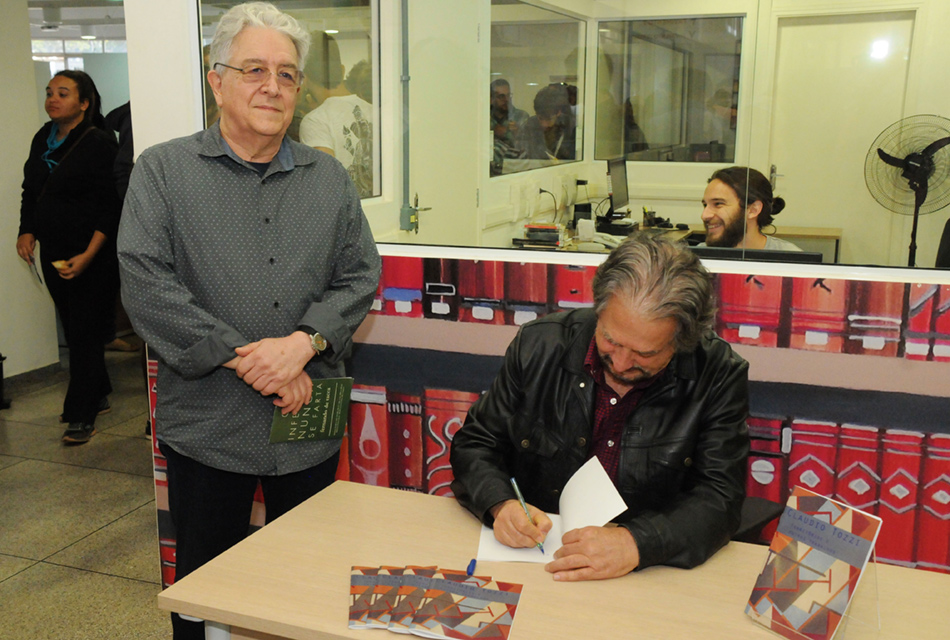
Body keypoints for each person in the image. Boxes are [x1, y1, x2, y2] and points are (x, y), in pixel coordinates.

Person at [116, 3, 380, 638]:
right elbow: (147, 284)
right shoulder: (163, 171)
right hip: (210, 425)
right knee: (209, 592)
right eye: (255, 68)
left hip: (306, 423)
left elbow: (359, 275)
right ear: (217, 79)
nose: (273, 86)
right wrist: (256, 362)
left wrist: (302, 345)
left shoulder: (329, 178)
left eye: (288, 74)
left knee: (307, 584)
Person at [450, 233, 749, 581]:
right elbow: (476, 444)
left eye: (645, 354)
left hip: (648, 577)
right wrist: (500, 503)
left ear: (683, 341)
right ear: (599, 309)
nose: (621, 364)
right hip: (539, 562)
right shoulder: (539, 345)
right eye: (610, 339)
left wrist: (636, 543)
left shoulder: (718, 374)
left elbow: (720, 499)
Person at [16, 70, 121, 445]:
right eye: (49, 92)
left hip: (93, 251)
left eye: (62, 93)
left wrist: (89, 255)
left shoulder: (100, 143)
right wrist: (26, 231)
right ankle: (99, 389)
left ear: (84, 102)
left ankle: (82, 413)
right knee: (75, 324)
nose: (52, 99)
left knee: (84, 331)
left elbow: (110, 206)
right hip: (54, 249)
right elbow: (31, 189)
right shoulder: (42, 137)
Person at [298, 32, 373, 197]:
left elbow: (325, 185)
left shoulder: (315, 121)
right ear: (342, 69)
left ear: (305, 79)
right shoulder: (374, 111)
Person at [701, 166, 802, 251]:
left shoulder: (791, 260)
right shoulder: (696, 258)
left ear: (753, 210)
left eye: (718, 204)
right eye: (705, 205)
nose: (704, 215)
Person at [515, 83, 576, 161]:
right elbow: (520, 160)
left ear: (558, 112)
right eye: (540, 118)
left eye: (548, 119)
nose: (543, 124)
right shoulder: (528, 127)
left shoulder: (571, 127)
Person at [489, 78, 529, 176]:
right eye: (501, 96)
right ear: (491, 99)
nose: (506, 100)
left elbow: (527, 148)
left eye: (508, 95)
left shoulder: (521, 116)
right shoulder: (483, 117)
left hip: (515, 171)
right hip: (489, 173)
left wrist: (514, 134)